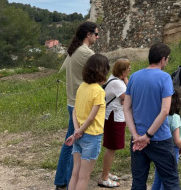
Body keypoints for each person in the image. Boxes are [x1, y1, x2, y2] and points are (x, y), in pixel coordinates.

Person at [123, 43, 180, 190]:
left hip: (137, 140)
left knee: (138, 182)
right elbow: (165, 110)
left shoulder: (134, 77)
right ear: (163, 59)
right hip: (159, 138)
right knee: (170, 181)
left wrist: (136, 134)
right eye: (168, 58)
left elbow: (126, 108)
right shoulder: (165, 77)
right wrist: (148, 135)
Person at [54, 21, 98, 190]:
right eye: (96, 34)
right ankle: (70, 181)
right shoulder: (85, 52)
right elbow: (100, 73)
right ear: (89, 34)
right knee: (76, 145)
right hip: (81, 104)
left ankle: (62, 180)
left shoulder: (74, 50)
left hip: (72, 102)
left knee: (71, 141)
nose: (97, 37)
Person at [65, 54, 110, 190]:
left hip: (78, 135)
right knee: (84, 176)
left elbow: (74, 111)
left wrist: (77, 130)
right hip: (92, 136)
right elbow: (91, 117)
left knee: (75, 174)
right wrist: (80, 130)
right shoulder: (99, 91)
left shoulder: (81, 87)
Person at [99, 58, 131, 188]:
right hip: (114, 117)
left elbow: (126, 99)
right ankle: (104, 178)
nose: (130, 70)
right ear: (122, 71)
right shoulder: (118, 83)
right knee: (111, 148)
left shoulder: (115, 79)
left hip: (113, 116)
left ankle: (106, 172)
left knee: (110, 147)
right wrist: (126, 99)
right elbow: (129, 99)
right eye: (128, 68)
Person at [151, 90, 181, 190]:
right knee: (168, 178)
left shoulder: (160, 117)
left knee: (158, 177)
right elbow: (176, 139)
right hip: (172, 150)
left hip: (159, 147)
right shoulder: (175, 118)